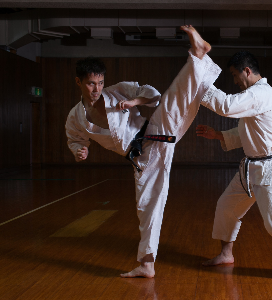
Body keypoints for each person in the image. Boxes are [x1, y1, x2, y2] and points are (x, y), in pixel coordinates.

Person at [65, 25, 221, 278]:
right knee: (147, 207)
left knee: (174, 98)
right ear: (79, 82)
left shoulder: (117, 91)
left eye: (100, 82)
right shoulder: (75, 117)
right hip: (144, 157)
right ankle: (147, 264)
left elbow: (153, 94)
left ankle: (198, 53)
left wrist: (135, 101)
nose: (96, 89)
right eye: (91, 83)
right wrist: (79, 151)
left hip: (156, 130)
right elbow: (75, 139)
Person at [196, 50, 272, 281]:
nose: (234, 81)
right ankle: (226, 254)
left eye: (234, 75)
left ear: (247, 71)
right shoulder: (254, 95)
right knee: (226, 206)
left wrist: (200, 86)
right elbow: (249, 132)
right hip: (251, 169)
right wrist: (218, 135)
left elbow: (227, 106)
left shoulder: (261, 93)